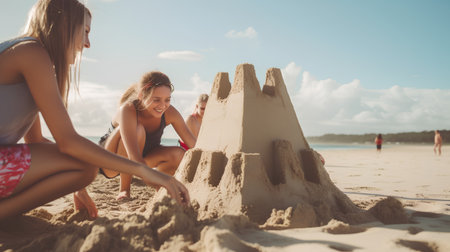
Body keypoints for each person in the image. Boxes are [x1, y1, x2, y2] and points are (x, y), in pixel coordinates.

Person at [0, 0, 189, 221]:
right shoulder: (31, 52)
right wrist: (144, 171)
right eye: (86, 32)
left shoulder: (27, 54)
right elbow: (68, 142)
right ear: (65, 25)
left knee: (82, 165)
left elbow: (36, 140)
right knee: (86, 164)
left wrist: (75, 185)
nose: (88, 43)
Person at [99, 71, 196, 200]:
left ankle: (160, 190)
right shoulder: (128, 110)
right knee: (138, 129)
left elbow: (195, 147)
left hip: (143, 159)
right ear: (141, 96)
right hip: (112, 162)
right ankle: (124, 190)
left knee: (179, 153)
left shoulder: (170, 112)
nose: (162, 105)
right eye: (156, 100)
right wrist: (163, 181)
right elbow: (134, 157)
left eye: (167, 100)